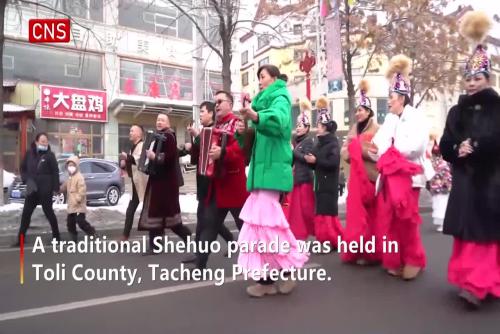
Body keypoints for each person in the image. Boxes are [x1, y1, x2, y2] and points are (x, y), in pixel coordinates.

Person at [440, 11, 500, 308]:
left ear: (488, 78)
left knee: (485, 237)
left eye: (477, 78)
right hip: (464, 182)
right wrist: (456, 148)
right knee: (467, 235)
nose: (472, 83)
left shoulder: (497, 108)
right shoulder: (456, 111)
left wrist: (475, 145)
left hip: (490, 182)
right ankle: (471, 281)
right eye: (468, 78)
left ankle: (479, 285)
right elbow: (445, 142)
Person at [236, 65, 308, 297]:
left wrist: (256, 116)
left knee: (268, 227)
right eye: (258, 78)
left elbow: (279, 122)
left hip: (273, 170)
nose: (260, 81)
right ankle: (265, 281)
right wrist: (242, 129)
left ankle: (288, 271)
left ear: (275, 78)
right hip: (261, 173)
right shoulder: (258, 104)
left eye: (263, 77)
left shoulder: (281, 97)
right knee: (257, 228)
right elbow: (252, 141)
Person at [371, 54, 431, 280]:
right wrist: (379, 152)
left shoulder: (416, 117)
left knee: (407, 221)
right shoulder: (390, 120)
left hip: (408, 179)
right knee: (389, 221)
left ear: (403, 98)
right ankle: (394, 259)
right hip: (388, 178)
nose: (389, 100)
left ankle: (414, 259)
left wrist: (391, 152)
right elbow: (379, 144)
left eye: (392, 96)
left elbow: (415, 146)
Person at [182, 101, 240, 264]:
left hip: (215, 182)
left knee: (207, 219)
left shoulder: (219, 132)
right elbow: (195, 158)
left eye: (202, 112)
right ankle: (228, 240)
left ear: (211, 114)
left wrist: (198, 138)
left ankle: (200, 256)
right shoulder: (203, 132)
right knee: (207, 219)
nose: (200, 114)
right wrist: (194, 139)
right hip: (202, 180)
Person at [138, 113, 192, 254]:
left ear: (168, 123)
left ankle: (183, 236)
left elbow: (169, 156)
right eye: (158, 120)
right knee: (159, 215)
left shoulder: (169, 136)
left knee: (164, 215)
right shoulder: (158, 136)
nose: (159, 122)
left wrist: (154, 157)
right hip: (159, 181)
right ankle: (157, 245)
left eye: (162, 120)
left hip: (165, 184)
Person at [340, 79, 381, 265]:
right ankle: (357, 249)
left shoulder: (378, 129)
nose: (358, 113)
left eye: (361, 110)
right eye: (357, 110)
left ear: (369, 111)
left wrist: (359, 149)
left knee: (371, 217)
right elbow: (344, 152)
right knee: (356, 217)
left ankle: (371, 252)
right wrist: (351, 151)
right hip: (355, 179)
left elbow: (377, 153)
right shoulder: (353, 129)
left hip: (371, 177)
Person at [304, 97, 344, 249]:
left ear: (326, 127)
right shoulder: (319, 142)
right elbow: (318, 162)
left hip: (329, 184)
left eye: (319, 125)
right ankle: (328, 240)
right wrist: (312, 162)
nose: (317, 128)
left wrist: (316, 161)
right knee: (323, 214)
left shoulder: (332, 143)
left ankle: (330, 241)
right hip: (320, 183)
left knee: (327, 215)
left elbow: (333, 163)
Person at [13, 133, 60, 246]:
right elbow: (23, 169)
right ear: (36, 142)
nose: (44, 143)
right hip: (32, 189)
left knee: (49, 213)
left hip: (45, 190)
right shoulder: (29, 154)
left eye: (46, 141)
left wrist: (55, 188)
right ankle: (20, 240)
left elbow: (55, 172)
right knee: (26, 214)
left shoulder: (50, 155)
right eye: (42, 141)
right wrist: (27, 180)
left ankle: (57, 238)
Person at [288, 99, 316, 241]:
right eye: (297, 125)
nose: (298, 128)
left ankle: (316, 230)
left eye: (301, 126)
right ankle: (299, 233)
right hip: (295, 179)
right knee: (296, 210)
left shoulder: (308, 141)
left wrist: (293, 152)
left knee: (306, 209)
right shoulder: (296, 141)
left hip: (305, 179)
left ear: (307, 128)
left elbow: (306, 158)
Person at [120, 125, 149, 241]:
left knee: (149, 211)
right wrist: (124, 163)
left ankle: (158, 236)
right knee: (130, 210)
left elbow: (136, 160)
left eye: (132, 130)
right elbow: (131, 163)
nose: (130, 133)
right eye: (130, 130)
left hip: (144, 183)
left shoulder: (142, 145)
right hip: (136, 183)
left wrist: (127, 157)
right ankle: (125, 236)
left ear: (139, 133)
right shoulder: (134, 146)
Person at [60, 156, 97, 242]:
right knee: (70, 224)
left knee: (81, 222)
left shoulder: (79, 177)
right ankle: (73, 239)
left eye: (72, 165)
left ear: (76, 166)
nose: (71, 167)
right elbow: (65, 186)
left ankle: (92, 232)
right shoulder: (70, 177)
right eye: (69, 166)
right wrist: (59, 189)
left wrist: (78, 199)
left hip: (79, 206)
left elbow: (82, 190)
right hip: (71, 206)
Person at [427, 137, 451, 233]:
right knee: (440, 205)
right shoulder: (439, 162)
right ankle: (443, 223)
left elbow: (446, 175)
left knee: (440, 205)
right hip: (440, 187)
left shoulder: (436, 162)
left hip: (440, 187)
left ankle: (444, 223)